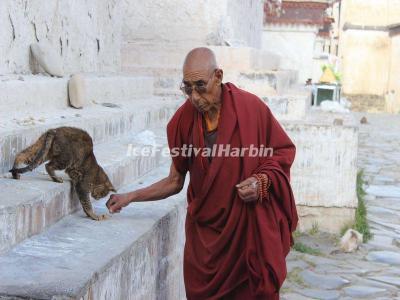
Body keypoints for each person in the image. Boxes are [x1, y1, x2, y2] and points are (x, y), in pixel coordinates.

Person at [106, 47, 298, 299]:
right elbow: (175, 181)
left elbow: (281, 152)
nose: (194, 96)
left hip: (243, 236)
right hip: (204, 242)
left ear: (218, 76)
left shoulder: (251, 109)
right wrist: (131, 196)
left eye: (200, 86)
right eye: (187, 88)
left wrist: (260, 182)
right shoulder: (183, 120)